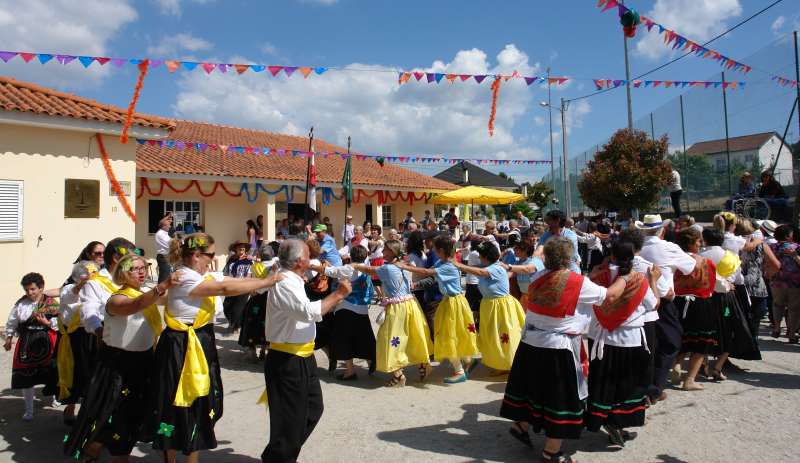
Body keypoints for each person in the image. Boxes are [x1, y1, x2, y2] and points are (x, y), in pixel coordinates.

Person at [146, 233, 283, 462]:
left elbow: (232, 282)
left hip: (199, 341)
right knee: (176, 401)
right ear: (197, 255)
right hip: (182, 345)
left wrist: (263, 279)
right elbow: (224, 288)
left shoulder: (200, 274)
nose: (212, 259)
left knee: (199, 401)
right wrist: (265, 283)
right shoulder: (186, 277)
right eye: (210, 254)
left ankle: (191, 455)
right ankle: (171, 455)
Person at [501, 237, 629, 462]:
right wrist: (627, 278)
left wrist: (590, 277)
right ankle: (551, 452)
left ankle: (521, 425)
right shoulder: (577, 282)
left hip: (531, 342)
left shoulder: (539, 277)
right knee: (559, 398)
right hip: (558, 348)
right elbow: (609, 295)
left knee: (534, 389)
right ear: (569, 258)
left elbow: (573, 288)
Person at [64, 254, 174, 462]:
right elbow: (134, 305)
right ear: (123, 273)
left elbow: (175, 298)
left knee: (133, 418)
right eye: (135, 268)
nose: (142, 271)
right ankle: (95, 450)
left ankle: (96, 449)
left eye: (144, 267)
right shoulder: (116, 298)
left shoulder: (145, 293)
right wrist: (163, 285)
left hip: (143, 363)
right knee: (113, 417)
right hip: (118, 366)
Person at [261, 239, 351, 463]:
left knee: (312, 408)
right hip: (287, 359)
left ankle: (280, 454)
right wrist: (338, 295)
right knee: (290, 419)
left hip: (302, 356)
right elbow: (306, 312)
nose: (311, 259)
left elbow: (317, 274)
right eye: (308, 256)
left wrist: (332, 270)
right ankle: (279, 457)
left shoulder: (293, 277)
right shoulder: (284, 282)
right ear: (300, 261)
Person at [585, 240, 659, 447]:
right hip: (629, 339)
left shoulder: (599, 277)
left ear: (612, 256)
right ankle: (617, 423)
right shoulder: (639, 280)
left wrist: (592, 274)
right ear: (634, 257)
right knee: (627, 383)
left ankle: (603, 419)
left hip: (600, 339)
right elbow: (653, 304)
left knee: (604, 382)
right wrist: (653, 280)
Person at [395, 235, 479, 383]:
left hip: (454, 303)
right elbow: (429, 271)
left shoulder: (448, 266)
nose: (431, 250)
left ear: (440, 250)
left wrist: (404, 267)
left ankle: (459, 371)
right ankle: (467, 360)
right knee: (454, 333)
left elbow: (427, 273)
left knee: (447, 336)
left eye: (434, 248)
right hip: (451, 302)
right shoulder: (443, 262)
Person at [351, 240, 433, 387]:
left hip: (397, 307)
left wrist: (356, 265)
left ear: (392, 252)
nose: (382, 253)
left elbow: (370, 271)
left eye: (386, 251)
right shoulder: (405, 265)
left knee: (389, 339)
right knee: (414, 336)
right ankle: (422, 365)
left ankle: (398, 374)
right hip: (411, 304)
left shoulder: (388, 268)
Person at [637, 214, 697, 402]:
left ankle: (648, 386)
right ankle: (654, 387)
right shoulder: (669, 248)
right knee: (670, 342)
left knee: (647, 344)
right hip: (662, 300)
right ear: (662, 230)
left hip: (638, 301)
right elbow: (690, 267)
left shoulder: (637, 248)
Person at [453, 241, 525, 374]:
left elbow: (480, 272)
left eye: (481, 255)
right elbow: (479, 268)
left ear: (486, 257)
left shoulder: (495, 268)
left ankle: (506, 365)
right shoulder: (491, 265)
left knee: (503, 337)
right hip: (491, 306)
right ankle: (501, 363)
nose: (479, 257)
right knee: (493, 337)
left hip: (500, 307)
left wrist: (458, 265)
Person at [311, 246, 376, 380]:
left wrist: (311, 266)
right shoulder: (366, 268)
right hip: (362, 308)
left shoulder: (348, 269)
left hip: (346, 308)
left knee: (344, 339)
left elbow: (328, 271)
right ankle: (371, 361)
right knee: (365, 336)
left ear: (351, 256)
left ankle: (350, 371)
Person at [4, 273, 59, 421]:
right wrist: (9, 338)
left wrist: (48, 324)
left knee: (51, 372)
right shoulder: (21, 304)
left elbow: (62, 321)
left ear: (41, 288)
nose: (30, 293)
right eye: (27, 289)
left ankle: (55, 398)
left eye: (33, 289)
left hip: (47, 341)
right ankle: (29, 410)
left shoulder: (50, 302)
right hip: (26, 343)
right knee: (26, 377)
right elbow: (12, 321)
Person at [672, 227, 718, 391]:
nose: (700, 243)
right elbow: (712, 286)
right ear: (692, 242)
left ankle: (676, 364)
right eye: (698, 241)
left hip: (677, 302)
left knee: (681, 337)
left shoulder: (674, 261)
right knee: (700, 344)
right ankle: (689, 380)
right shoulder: (706, 263)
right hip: (700, 303)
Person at [239, 243, 279, 361]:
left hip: (256, 297)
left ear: (260, 255)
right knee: (268, 323)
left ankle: (252, 350)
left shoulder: (254, 266)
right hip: (270, 298)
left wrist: (253, 290)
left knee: (252, 322)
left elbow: (249, 280)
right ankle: (265, 349)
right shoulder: (275, 265)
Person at [768, 224, 800, 343]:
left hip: (777, 281)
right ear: (788, 236)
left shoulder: (771, 247)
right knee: (794, 309)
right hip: (795, 282)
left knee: (777, 304)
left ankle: (776, 328)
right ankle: (791, 335)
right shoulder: (797, 247)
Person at [222, 241, 254, 334]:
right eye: (239, 249)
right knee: (226, 306)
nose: (241, 251)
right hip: (232, 286)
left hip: (243, 287)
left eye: (243, 249)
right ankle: (233, 322)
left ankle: (236, 325)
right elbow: (226, 272)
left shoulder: (249, 261)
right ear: (235, 250)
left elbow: (249, 275)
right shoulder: (231, 260)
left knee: (238, 309)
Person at [156, 215, 174, 283]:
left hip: (167, 257)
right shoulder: (160, 234)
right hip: (163, 257)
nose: (170, 226)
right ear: (164, 226)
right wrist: (180, 242)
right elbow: (170, 244)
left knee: (167, 277)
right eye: (168, 225)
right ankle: (160, 292)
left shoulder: (165, 233)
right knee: (164, 278)